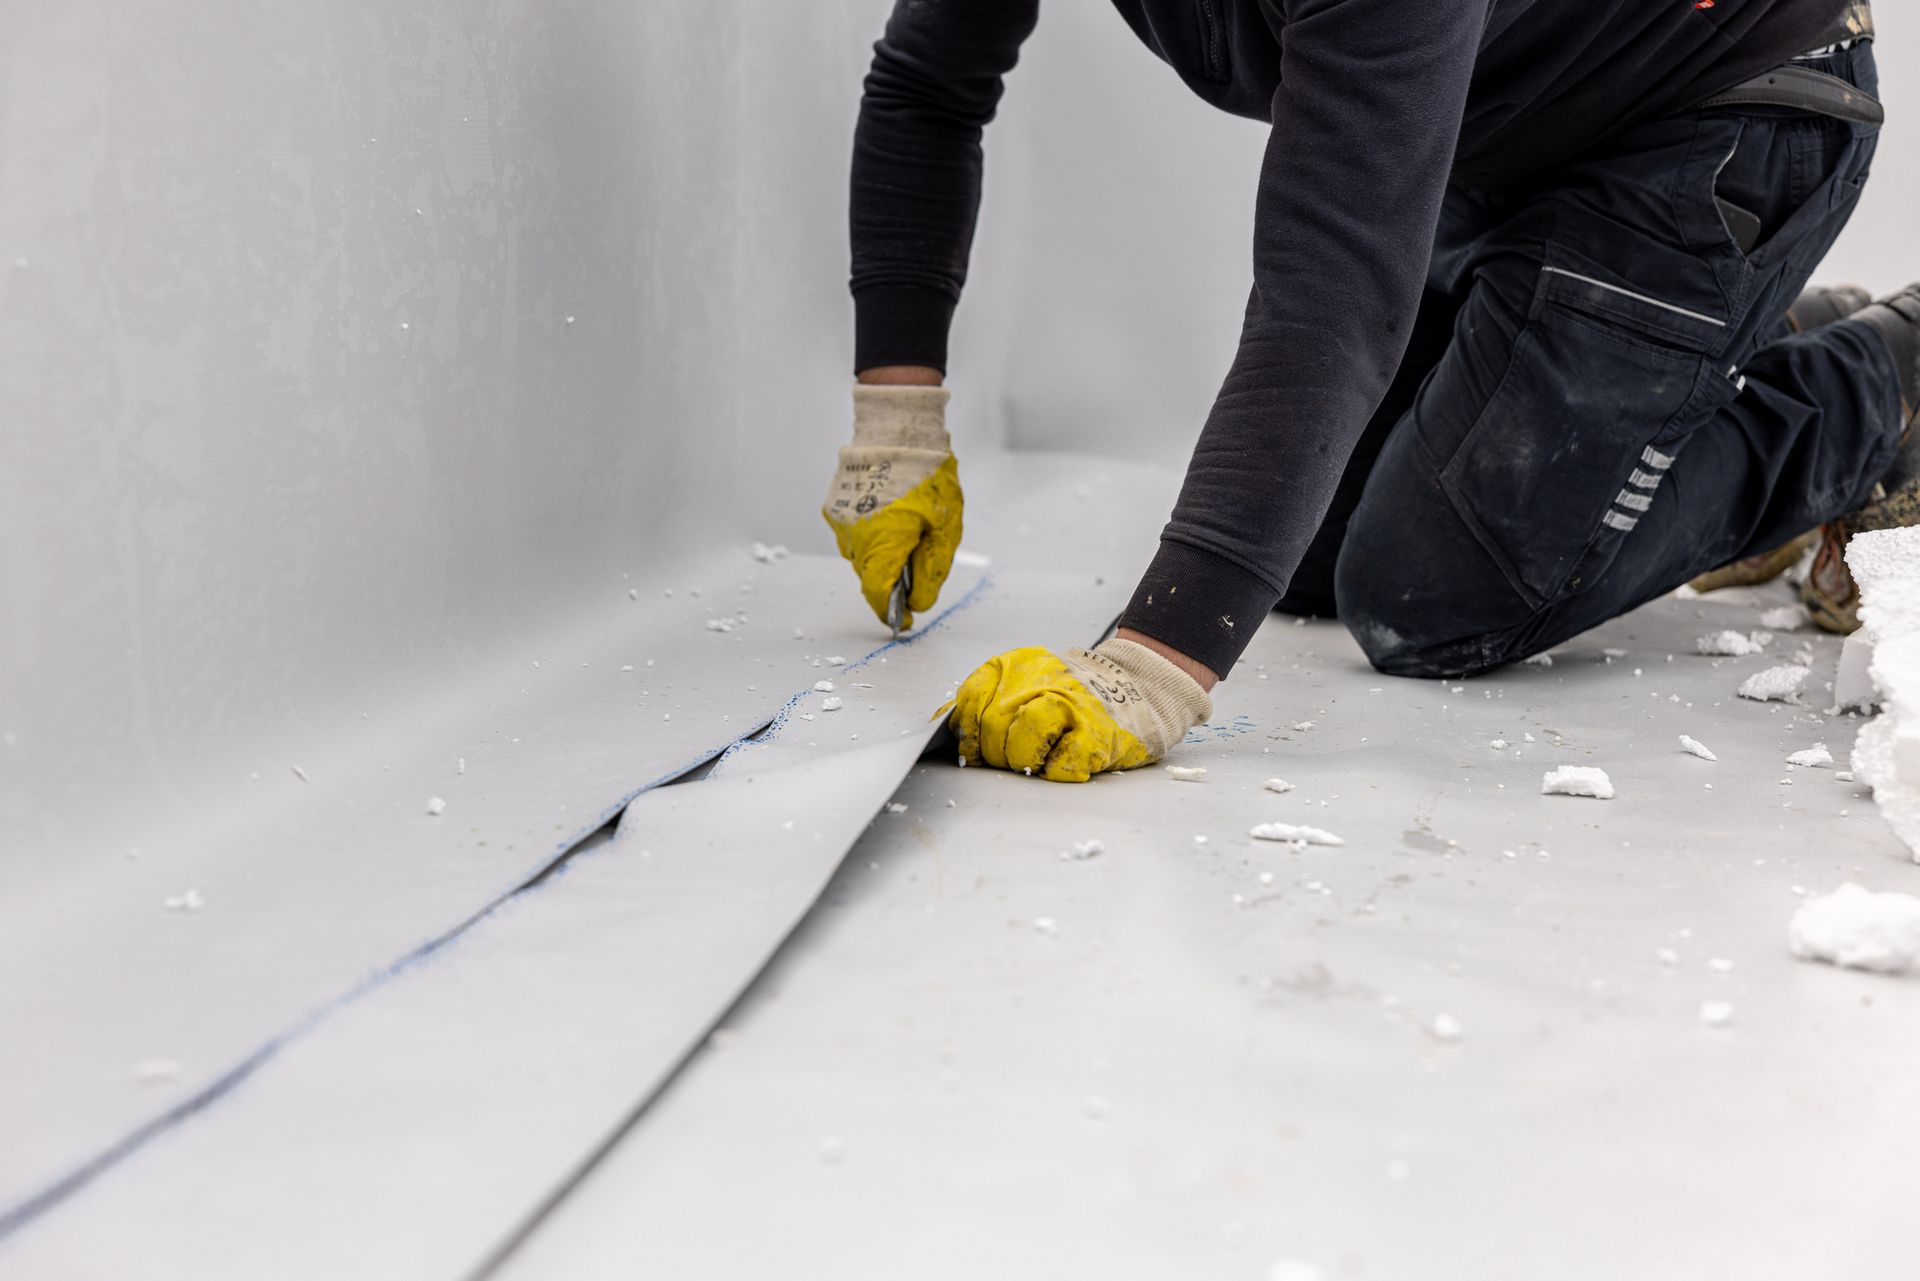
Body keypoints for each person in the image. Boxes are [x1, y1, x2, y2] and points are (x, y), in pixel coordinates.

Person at [824, 0, 1916, 782]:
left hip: (1722, 113)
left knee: (1430, 599)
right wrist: (896, 419)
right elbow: (930, 85)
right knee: (1298, 562)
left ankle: (1886, 380)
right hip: (1511, 122)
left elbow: (1334, 292)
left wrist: (1154, 664)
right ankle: (1724, 352)